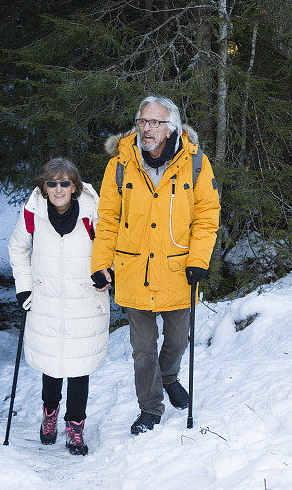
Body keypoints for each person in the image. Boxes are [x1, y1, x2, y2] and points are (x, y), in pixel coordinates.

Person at [90, 95, 220, 435]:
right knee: (142, 349)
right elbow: (107, 219)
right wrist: (101, 263)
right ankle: (149, 408)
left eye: (154, 122)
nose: (146, 128)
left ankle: (169, 376)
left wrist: (198, 260)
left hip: (178, 270)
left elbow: (207, 216)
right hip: (134, 270)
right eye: (142, 121)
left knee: (178, 339)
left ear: (171, 127)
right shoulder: (120, 164)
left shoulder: (195, 164)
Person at [8, 157, 110, 456]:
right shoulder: (33, 211)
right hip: (47, 299)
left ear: (75, 186)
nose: (58, 189)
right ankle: (50, 416)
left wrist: (107, 272)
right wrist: (24, 287)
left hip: (85, 300)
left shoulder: (94, 211)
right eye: (51, 183)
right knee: (52, 365)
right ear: (44, 186)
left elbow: (111, 246)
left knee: (80, 368)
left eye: (64, 183)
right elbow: (17, 248)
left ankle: (75, 427)